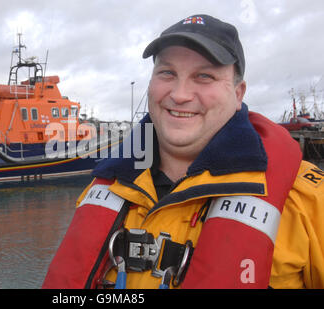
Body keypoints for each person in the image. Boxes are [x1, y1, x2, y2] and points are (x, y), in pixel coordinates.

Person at [43, 14, 324, 289]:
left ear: (238, 94)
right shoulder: (105, 185)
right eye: (167, 72)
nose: (180, 94)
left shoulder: (305, 199)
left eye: (204, 76)